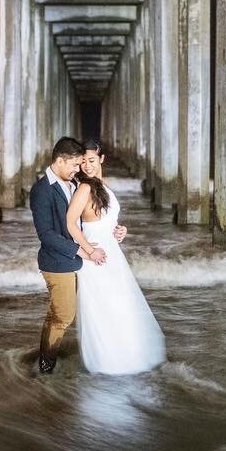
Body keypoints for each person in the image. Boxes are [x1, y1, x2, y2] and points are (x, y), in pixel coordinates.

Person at [64, 138, 166, 375]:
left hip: (111, 254)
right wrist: (89, 250)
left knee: (119, 305)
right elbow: (70, 223)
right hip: (95, 258)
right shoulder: (85, 187)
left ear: (101, 159)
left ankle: (126, 357)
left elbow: (106, 221)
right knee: (103, 307)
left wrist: (120, 231)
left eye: (91, 160)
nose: (86, 166)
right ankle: (106, 362)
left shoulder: (102, 186)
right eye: (82, 163)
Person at [31, 136, 106, 374]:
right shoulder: (42, 190)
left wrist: (112, 229)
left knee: (56, 314)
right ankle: (46, 366)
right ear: (61, 161)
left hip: (77, 260)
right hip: (57, 262)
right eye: (75, 165)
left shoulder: (73, 183)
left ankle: (44, 360)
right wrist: (82, 251)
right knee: (64, 315)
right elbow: (46, 234)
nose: (78, 169)